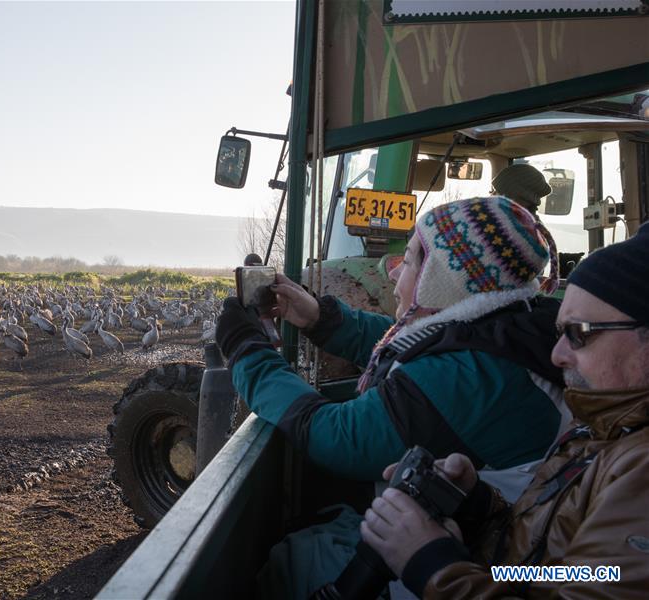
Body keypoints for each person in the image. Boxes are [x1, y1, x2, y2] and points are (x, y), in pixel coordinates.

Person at [216, 196, 565, 596]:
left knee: (293, 562)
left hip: (474, 567)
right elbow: (415, 348)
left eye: (414, 260)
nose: (396, 274)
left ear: (445, 279)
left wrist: (247, 352)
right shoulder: (511, 326)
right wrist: (319, 318)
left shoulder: (468, 376)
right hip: (500, 543)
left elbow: (338, 436)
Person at [361, 222, 649, 598]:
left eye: (578, 333)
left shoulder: (638, 461)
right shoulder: (603, 426)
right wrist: (478, 508)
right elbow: (557, 577)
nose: (557, 354)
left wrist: (432, 566)